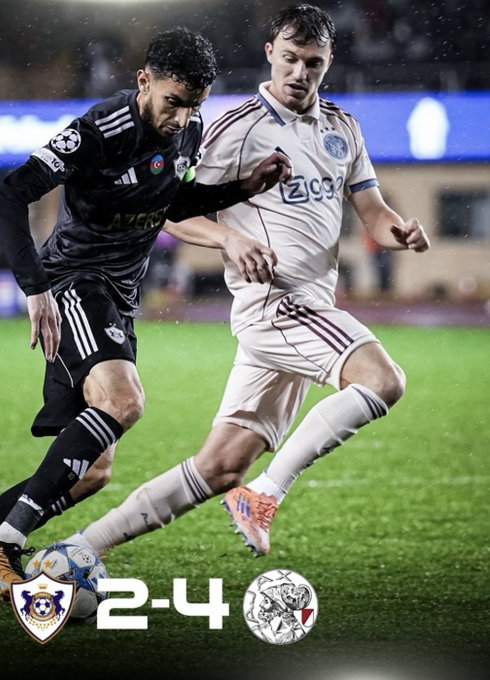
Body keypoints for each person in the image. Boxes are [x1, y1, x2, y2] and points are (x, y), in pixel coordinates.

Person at [0, 27, 291, 623]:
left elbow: (169, 204)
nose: (181, 118)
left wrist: (241, 187)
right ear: (144, 81)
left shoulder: (189, 130)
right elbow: (8, 195)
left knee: (90, 473)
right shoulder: (99, 130)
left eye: (193, 105)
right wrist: (35, 288)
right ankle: (2, 545)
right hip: (75, 281)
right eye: (173, 102)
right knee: (125, 402)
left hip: (117, 299)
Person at [61, 4, 430, 562]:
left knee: (219, 467)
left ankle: (79, 549)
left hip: (308, 308)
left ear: (328, 62)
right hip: (276, 305)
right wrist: (229, 239)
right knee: (383, 381)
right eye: (290, 58)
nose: (300, 73)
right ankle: (265, 495)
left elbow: (372, 210)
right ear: (270, 53)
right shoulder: (236, 129)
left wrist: (397, 231)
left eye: (313, 63)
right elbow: (169, 210)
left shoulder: (342, 127)